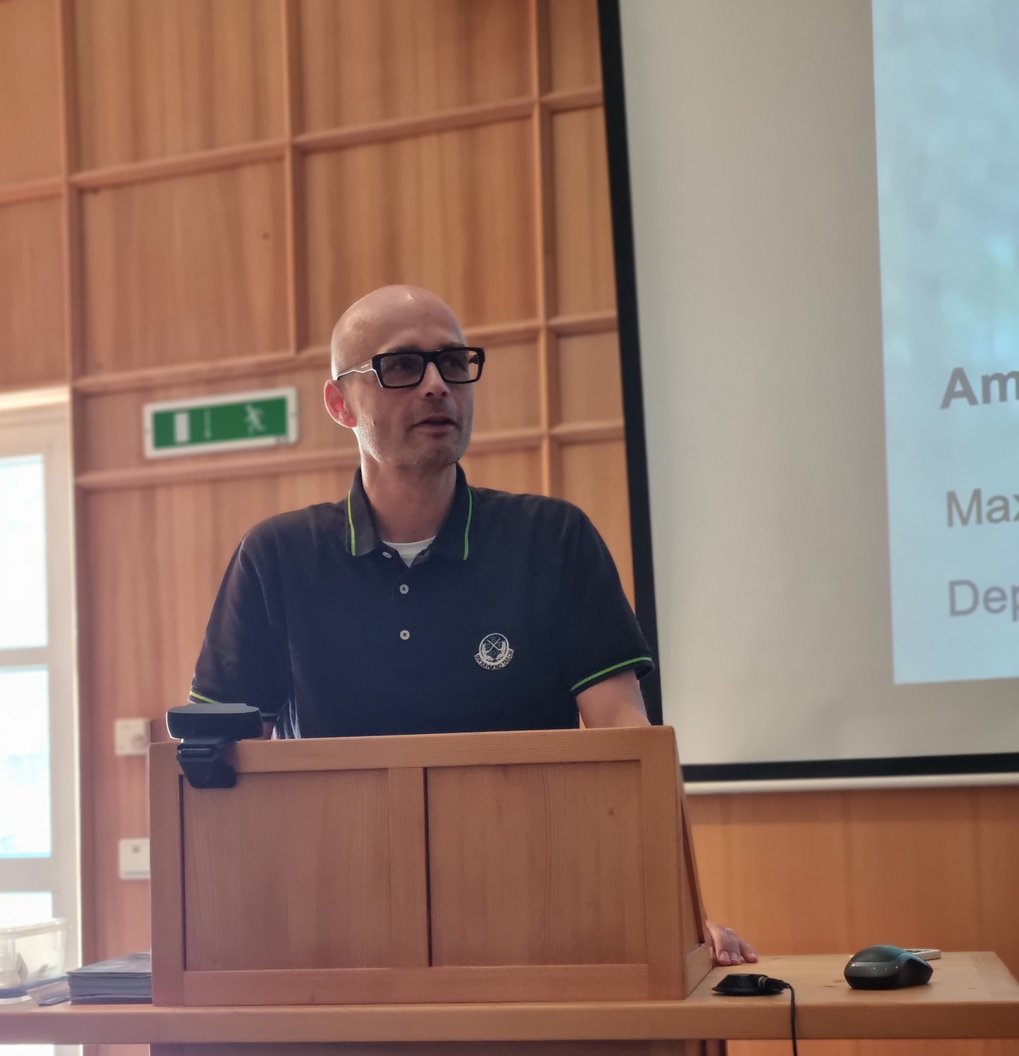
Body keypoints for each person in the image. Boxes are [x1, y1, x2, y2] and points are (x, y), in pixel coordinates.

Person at [190, 284, 756, 966]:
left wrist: (677, 909)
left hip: (540, 925)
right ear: (340, 403)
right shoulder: (276, 557)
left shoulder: (550, 540)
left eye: (453, 363)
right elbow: (215, 767)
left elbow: (622, 740)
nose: (436, 386)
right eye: (402, 367)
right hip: (331, 933)